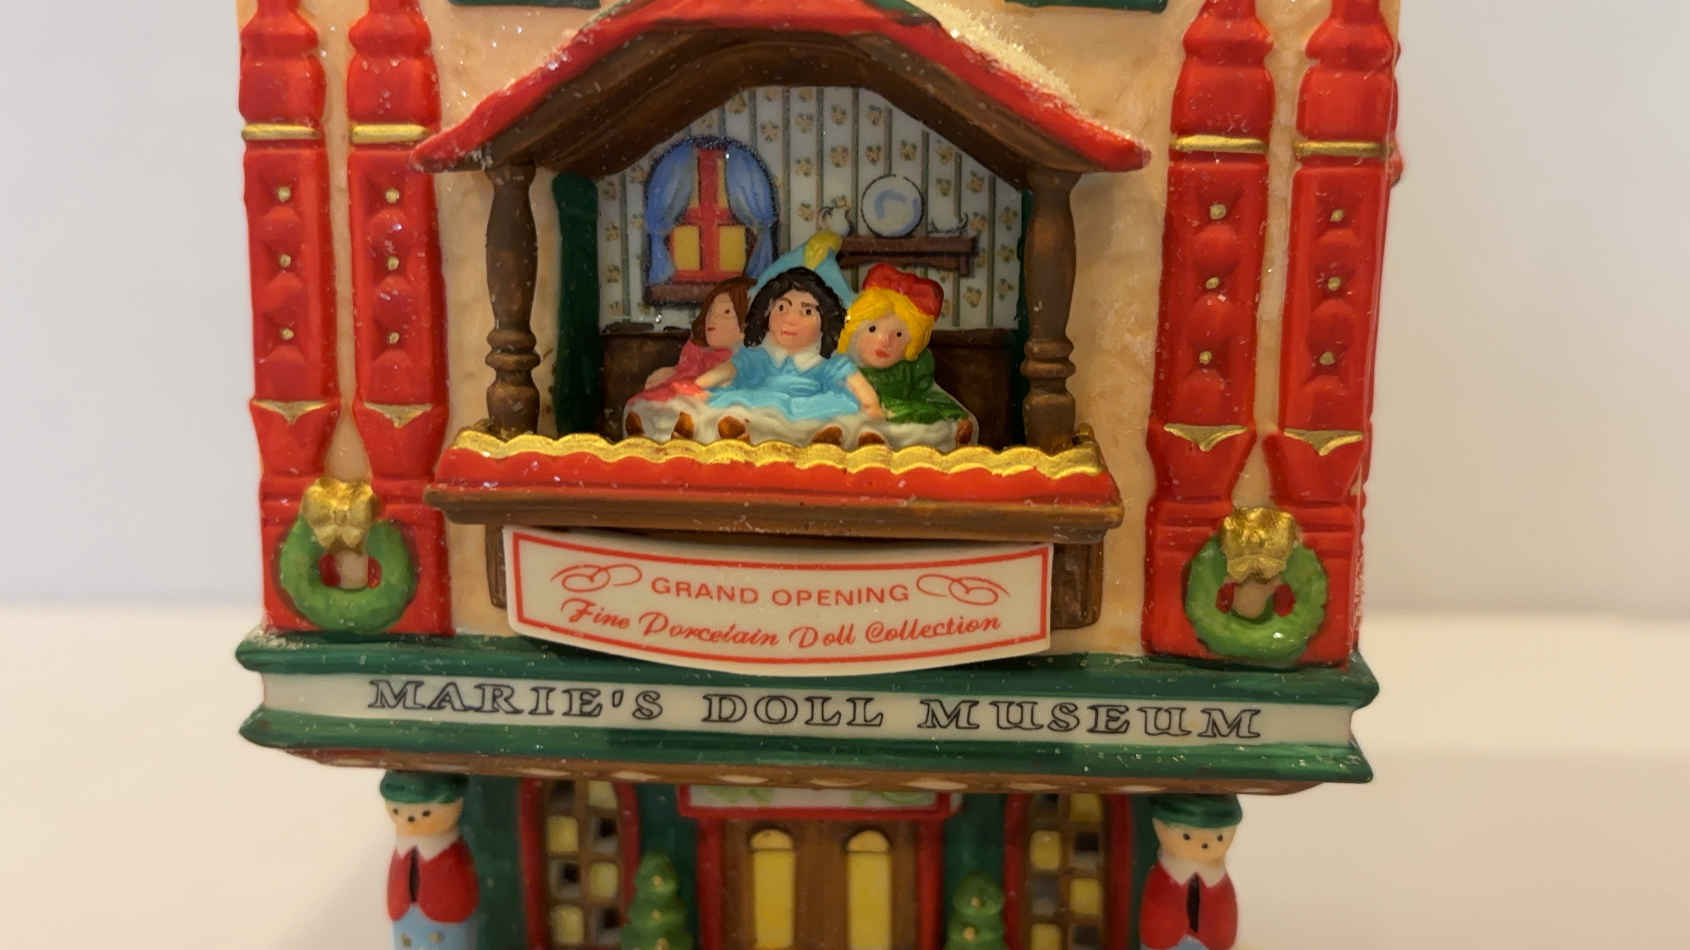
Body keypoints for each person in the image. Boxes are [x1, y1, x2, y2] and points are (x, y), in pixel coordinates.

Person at [698, 245, 881, 443]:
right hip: (763, 404)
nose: (790, 319)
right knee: (734, 403)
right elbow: (732, 368)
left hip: (812, 409)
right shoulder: (762, 355)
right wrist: (700, 384)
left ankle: (826, 437)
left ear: (825, 321)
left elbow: (858, 386)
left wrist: (872, 407)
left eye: (807, 311)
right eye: (782, 307)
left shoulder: (826, 362)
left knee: (839, 408)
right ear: (767, 312)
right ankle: (739, 430)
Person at [838, 263, 972, 447]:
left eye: (899, 334)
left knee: (930, 427)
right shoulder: (845, 367)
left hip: (905, 417)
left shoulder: (912, 368)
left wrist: (956, 415)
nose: (885, 341)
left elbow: (929, 394)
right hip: (862, 418)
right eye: (872, 329)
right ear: (854, 331)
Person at [625, 275, 750, 439]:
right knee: (647, 403)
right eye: (710, 311)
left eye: (726, 312)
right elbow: (685, 368)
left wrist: (702, 384)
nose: (712, 318)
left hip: (717, 394)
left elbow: (725, 376)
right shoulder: (698, 352)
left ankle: (684, 433)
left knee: (702, 412)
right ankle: (643, 433)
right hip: (688, 387)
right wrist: (671, 372)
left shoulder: (744, 357)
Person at [384, 771, 479, 950]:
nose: (410, 819)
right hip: (405, 918)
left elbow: (461, 894)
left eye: (426, 813)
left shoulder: (451, 853)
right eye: (397, 811)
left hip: (445, 924)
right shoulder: (402, 850)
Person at [1139, 795, 1241, 950]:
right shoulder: (1162, 878)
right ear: (1159, 825)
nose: (1205, 844)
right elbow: (1154, 922)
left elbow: (1225, 923)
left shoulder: (1218, 880)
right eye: (1186, 836)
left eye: (1219, 837)